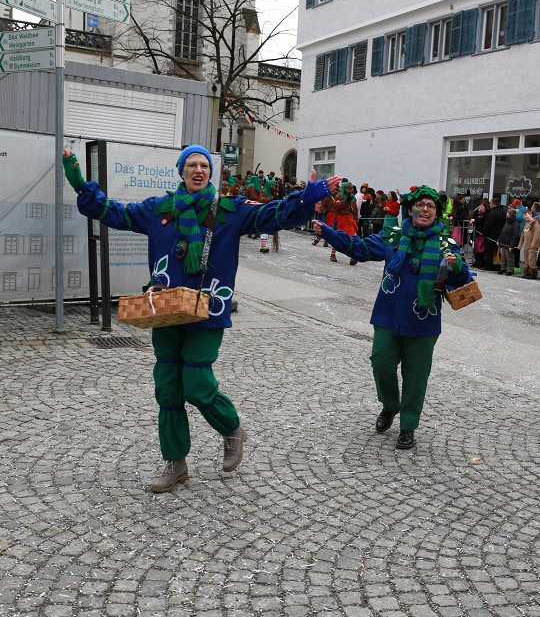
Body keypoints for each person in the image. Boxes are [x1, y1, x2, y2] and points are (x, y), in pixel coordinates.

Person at [62, 145, 341, 491]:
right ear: (181, 172)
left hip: (208, 310)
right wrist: (79, 184)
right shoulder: (159, 209)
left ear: (212, 173)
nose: (198, 170)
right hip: (164, 310)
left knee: (195, 383)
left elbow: (275, 214)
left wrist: (305, 197)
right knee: (167, 388)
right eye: (191, 165)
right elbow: (113, 212)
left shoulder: (230, 210)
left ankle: (231, 429)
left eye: (204, 166)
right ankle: (175, 463)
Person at [313, 185, 472, 450]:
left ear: (437, 213)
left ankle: (408, 426)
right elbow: (359, 248)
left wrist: (455, 265)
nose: (425, 209)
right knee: (381, 364)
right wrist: (329, 232)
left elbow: (463, 276)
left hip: (424, 320)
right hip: (388, 315)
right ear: (410, 209)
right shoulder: (393, 238)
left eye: (430, 206)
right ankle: (390, 405)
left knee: (416, 375)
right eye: (419, 205)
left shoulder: (447, 243)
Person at [497, 205, 522, 276]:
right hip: (503, 242)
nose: (506, 214)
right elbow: (502, 231)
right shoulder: (507, 221)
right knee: (503, 257)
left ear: (511, 215)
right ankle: (503, 268)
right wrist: (499, 240)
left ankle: (510, 269)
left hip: (509, 244)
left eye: (508, 213)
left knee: (510, 257)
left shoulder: (515, 223)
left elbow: (515, 235)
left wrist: (512, 245)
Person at [518, 207, 540, 279]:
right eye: (524, 216)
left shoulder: (535, 223)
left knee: (531, 259)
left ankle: (533, 273)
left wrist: (533, 244)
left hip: (532, 245)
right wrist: (520, 244)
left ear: (530, 214)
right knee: (526, 258)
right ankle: (527, 272)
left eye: (526, 215)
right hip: (526, 245)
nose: (524, 217)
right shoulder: (526, 224)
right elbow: (523, 235)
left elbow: (536, 234)